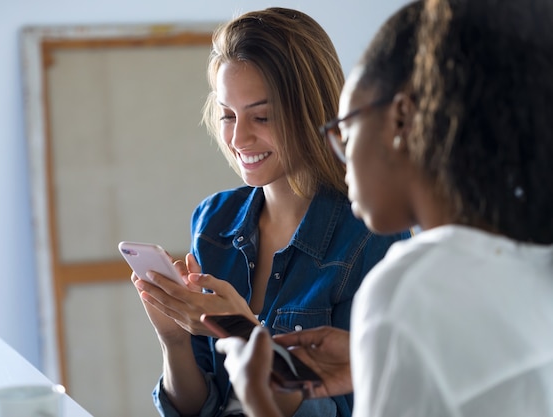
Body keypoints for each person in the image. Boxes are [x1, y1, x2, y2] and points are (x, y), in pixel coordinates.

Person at [216, 0, 553, 416]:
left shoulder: (409, 287)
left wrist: (263, 404)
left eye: (347, 127)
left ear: (400, 120)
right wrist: (369, 366)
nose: (340, 152)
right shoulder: (533, 261)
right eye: (227, 115)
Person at [132, 7, 410, 417]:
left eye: (261, 116)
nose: (239, 138)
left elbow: (363, 407)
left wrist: (245, 335)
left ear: (311, 110)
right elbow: (198, 407)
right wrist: (173, 340)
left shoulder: (373, 236)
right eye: (228, 115)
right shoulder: (213, 221)